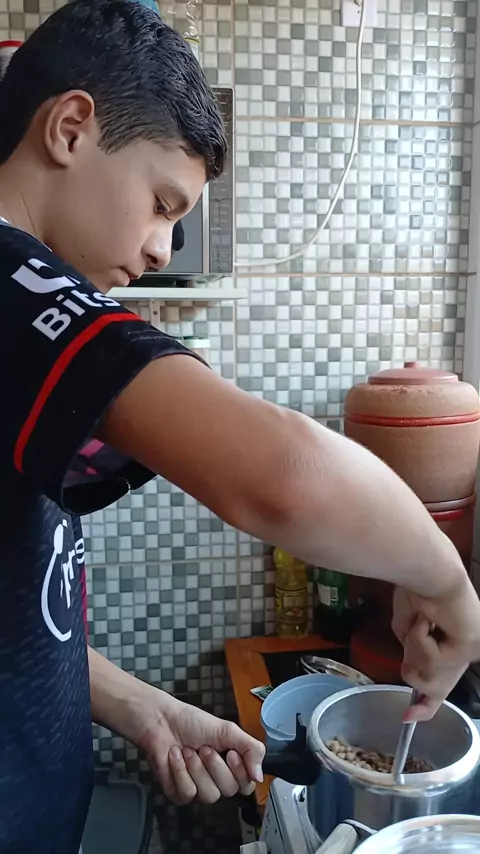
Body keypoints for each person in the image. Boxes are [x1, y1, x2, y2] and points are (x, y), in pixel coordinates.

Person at [0, 1, 479, 851]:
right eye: (162, 202)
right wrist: (445, 580)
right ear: (70, 128)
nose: (162, 248)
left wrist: (141, 705)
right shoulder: (11, 283)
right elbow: (283, 477)